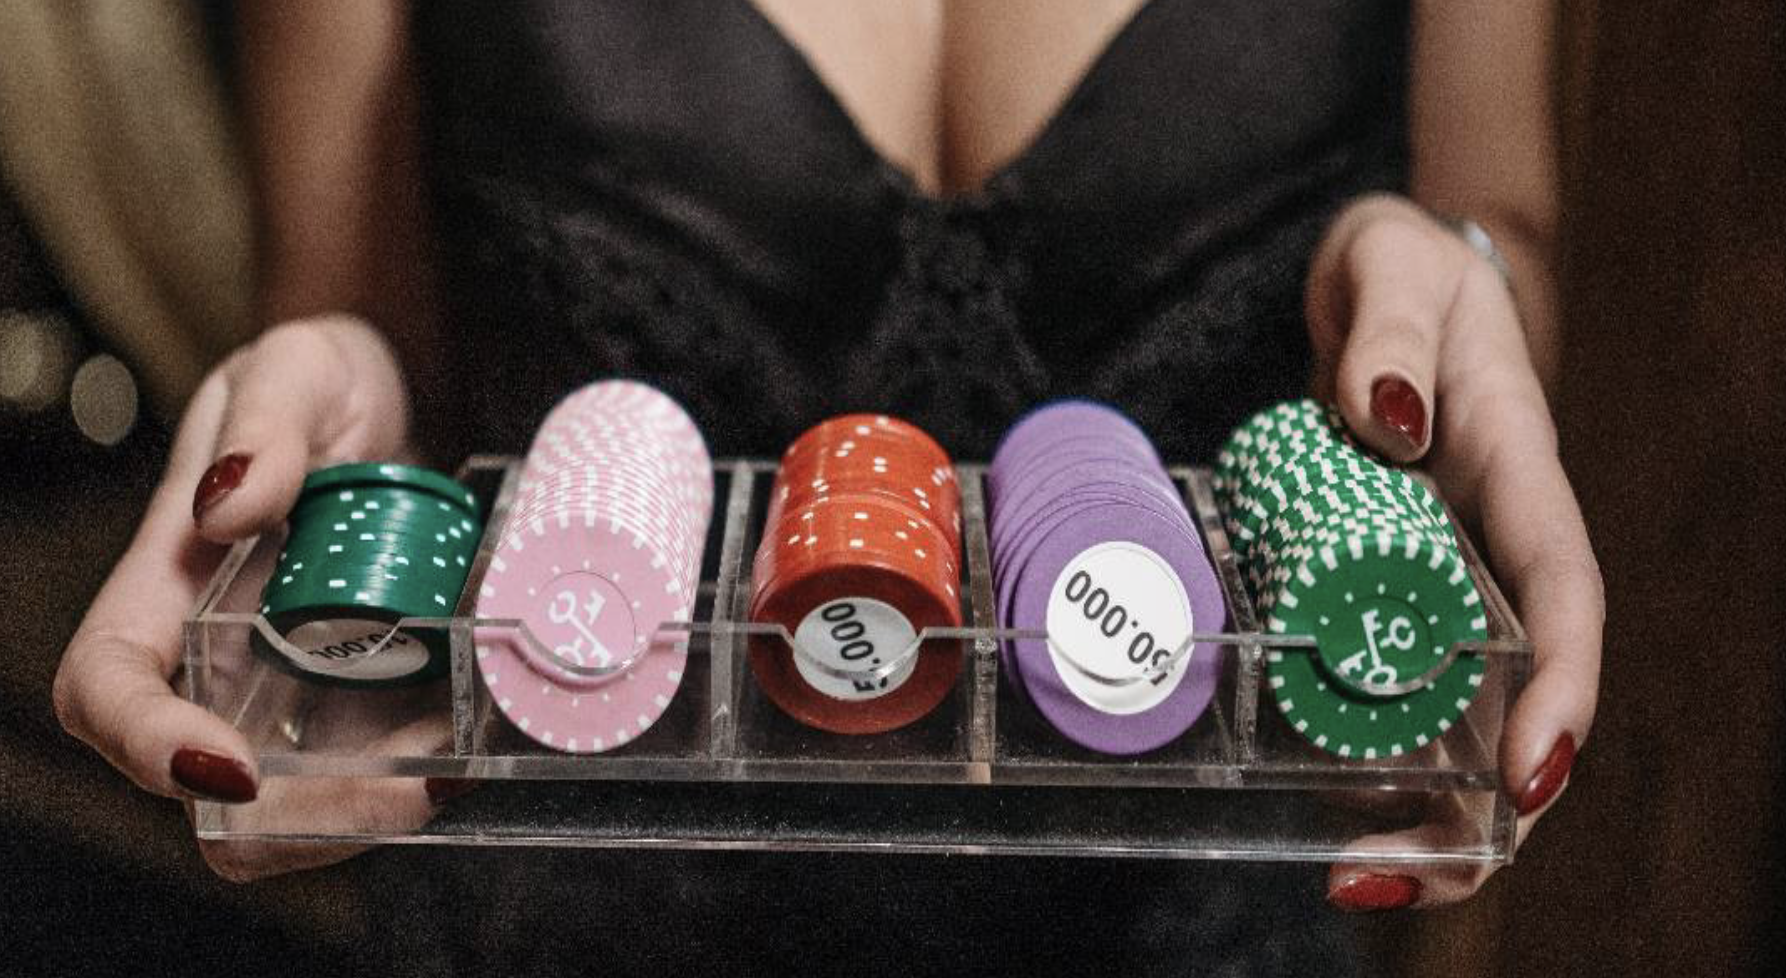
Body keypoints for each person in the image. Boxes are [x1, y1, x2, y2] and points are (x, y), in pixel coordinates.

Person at [51, 0, 1601, 965]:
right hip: (572, 923)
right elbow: (369, 324)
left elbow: (1500, 234)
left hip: (1204, 929)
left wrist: (1446, 278)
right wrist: (324, 397)